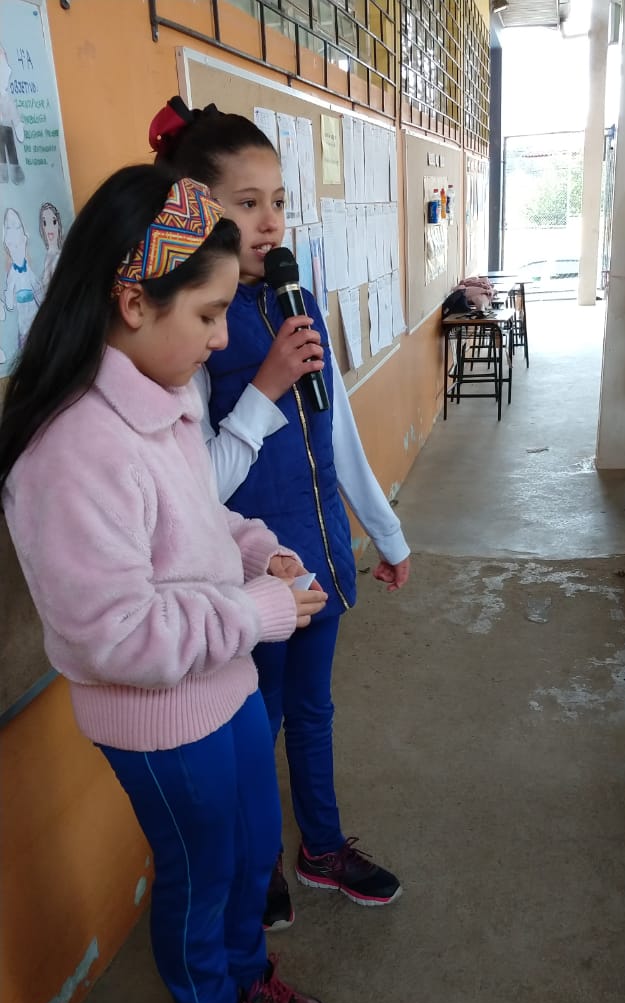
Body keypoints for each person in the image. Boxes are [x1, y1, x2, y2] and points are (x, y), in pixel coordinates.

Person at [0, 164, 331, 1003]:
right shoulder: (69, 450)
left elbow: (198, 517)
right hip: (157, 715)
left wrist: (260, 549)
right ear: (135, 303)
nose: (225, 339)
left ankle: (247, 977)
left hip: (221, 687)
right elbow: (115, 634)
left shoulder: (169, 396)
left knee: (254, 845)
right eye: (208, 315)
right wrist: (258, 607)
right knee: (202, 871)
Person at [149, 98, 411, 931]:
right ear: (197, 209)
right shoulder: (196, 333)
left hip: (321, 560)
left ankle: (322, 847)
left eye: (279, 201)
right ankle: (258, 865)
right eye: (246, 202)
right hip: (252, 582)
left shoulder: (297, 299)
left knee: (313, 712)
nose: (268, 222)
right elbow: (200, 492)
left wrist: (386, 532)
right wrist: (260, 391)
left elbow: (334, 435)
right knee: (251, 727)